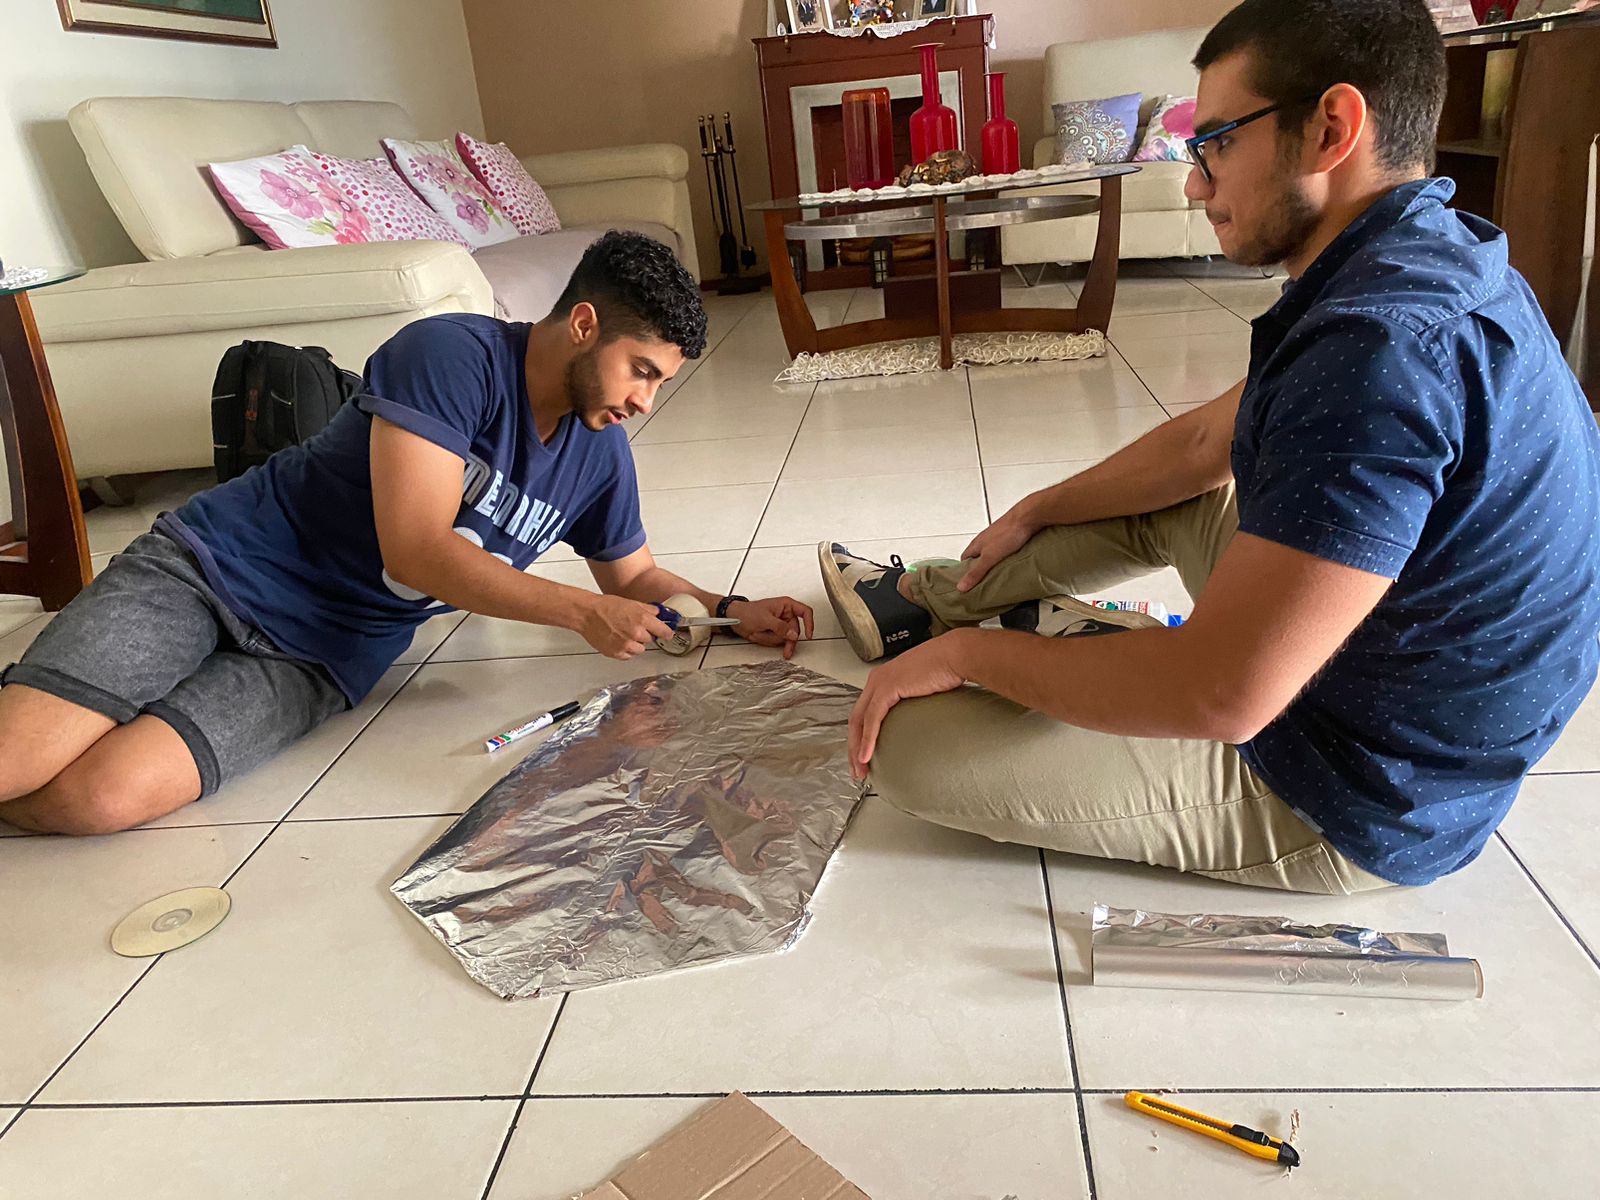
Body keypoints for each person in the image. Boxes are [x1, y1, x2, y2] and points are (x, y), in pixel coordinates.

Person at [817, 0, 1600, 894]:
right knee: (1163, 494)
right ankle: (937, 602)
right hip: (1358, 668)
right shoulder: (1422, 253)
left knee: (902, 747)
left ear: (1332, 129)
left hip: (1352, 794)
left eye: (1216, 143)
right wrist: (1036, 510)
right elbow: (1200, 443)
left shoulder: (1379, 352)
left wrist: (967, 660)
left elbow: (1225, 698)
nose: (1195, 186)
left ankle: (1021, 640)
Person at [0, 231, 813, 835]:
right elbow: (417, 549)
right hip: (215, 568)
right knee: (16, 760)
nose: (644, 402)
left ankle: (57, 693)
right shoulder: (451, 355)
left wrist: (729, 609)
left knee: (99, 799)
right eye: (641, 372)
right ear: (583, 324)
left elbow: (632, 578)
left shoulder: (600, 454)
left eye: (660, 384)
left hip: (322, 655)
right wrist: (579, 612)